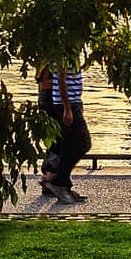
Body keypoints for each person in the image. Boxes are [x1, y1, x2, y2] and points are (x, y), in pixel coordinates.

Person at [37, 61, 91, 204]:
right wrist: (66, 107)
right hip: (64, 103)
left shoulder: (70, 50)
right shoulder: (62, 50)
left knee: (65, 144)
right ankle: (56, 180)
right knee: (80, 143)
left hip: (68, 102)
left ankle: (59, 183)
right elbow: (54, 80)